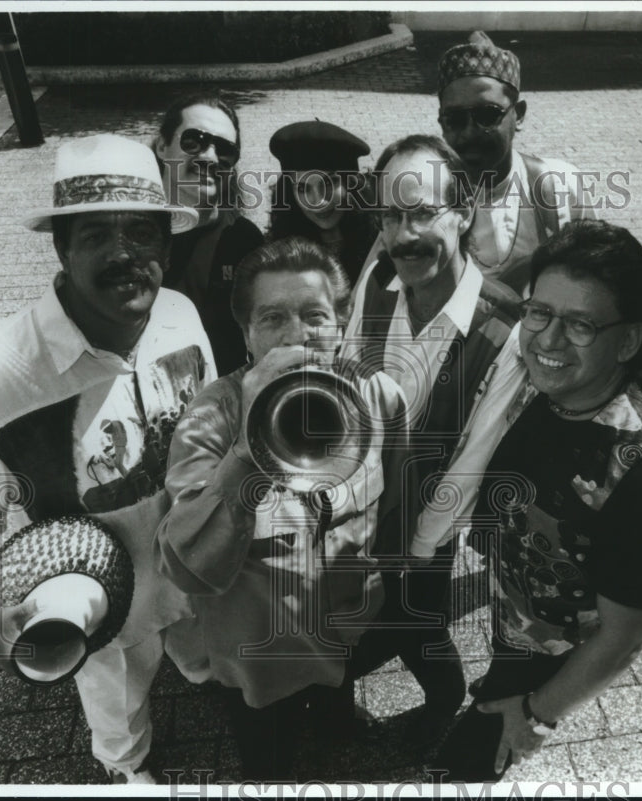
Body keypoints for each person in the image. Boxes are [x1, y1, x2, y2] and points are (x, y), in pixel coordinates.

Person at [0, 134, 217, 784]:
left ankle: (198, 671)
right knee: (120, 703)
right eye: (96, 234)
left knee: (198, 650)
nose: (125, 254)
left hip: (193, 572)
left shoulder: (182, 316)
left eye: (142, 232)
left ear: (167, 243)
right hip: (98, 607)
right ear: (61, 245)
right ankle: (123, 769)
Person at [424, 219, 642, 782]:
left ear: (628, 341)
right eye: (540, 312)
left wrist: (536, 715)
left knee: (463, 765)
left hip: (548, 657)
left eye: (580, 324)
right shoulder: (549, 382)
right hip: (517, 616)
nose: (547, 340)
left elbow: (622, 639)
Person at [154, 236, 408, 780]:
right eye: (272, 319)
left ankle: (339, 720)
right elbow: (187, 564)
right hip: (260, 660)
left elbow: (394, 505)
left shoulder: (380, 396)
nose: (297, 335)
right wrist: (249, 447)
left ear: (340, 321)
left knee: (337, 708)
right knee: (268, 760)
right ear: (245, 333)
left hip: (343, 627)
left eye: (315, 315)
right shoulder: (209, 418)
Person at [341, 134, 521, 748]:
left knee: (416, 620)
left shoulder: (502, 327)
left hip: (425, 525)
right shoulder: (375, 284)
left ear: (464, 210)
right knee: (352, 620)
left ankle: (443, 702)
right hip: (355, 508)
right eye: (390, 215)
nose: (402, 236)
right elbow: (344, 380)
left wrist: (414, 551)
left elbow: (471, 462)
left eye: (421, 212)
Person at [436, 31, 596, 292]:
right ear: (441, 122)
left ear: (518, 115)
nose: (468, 132)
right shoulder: (424, 198)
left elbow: (592, 282)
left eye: (487, 115)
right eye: (454, 119)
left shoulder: (561, 187)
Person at [154, 94, 264, 374]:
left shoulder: (244, 242)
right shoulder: (133, 237)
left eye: (225, 150)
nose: (211, 157)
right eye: (194, 141)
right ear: (162, 146)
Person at [268, 120, 377, 286]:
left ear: (350, 184)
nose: (317, 201)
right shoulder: (278, 253)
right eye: (303, 189)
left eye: (328, 184)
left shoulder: (380, 240)